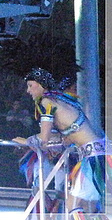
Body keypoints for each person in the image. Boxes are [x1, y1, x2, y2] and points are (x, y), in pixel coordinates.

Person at [13, 67, 110, 217]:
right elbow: (67, 136)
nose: (28, 91)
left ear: (41, 85)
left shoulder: (46, 102)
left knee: (74, 205)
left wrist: (26, 141)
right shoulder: (63, 99)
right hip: (101, 153)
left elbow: (43, 139)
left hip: (94, 158)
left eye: (31, 86)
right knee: (89, 205)